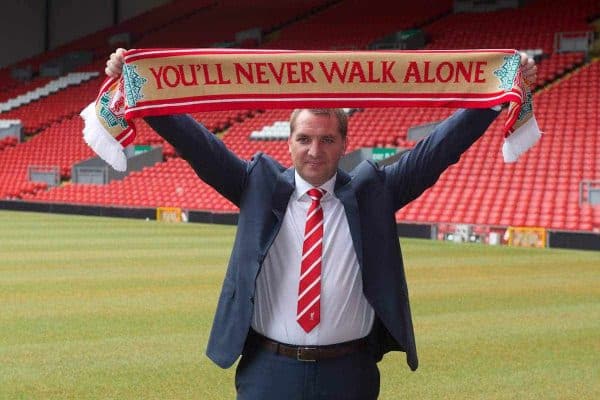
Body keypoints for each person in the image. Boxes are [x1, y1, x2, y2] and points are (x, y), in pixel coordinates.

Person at [105, 49, 537, 400]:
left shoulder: (374, 191)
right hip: (268, 372)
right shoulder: (256, 184)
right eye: (305, 138)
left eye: (327, 139)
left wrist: (501, 92)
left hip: (348, 374)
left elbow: (441, 149)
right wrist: (137, 84)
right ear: (288, 142)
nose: (315, 150)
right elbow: (197, 145)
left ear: (344, 144)